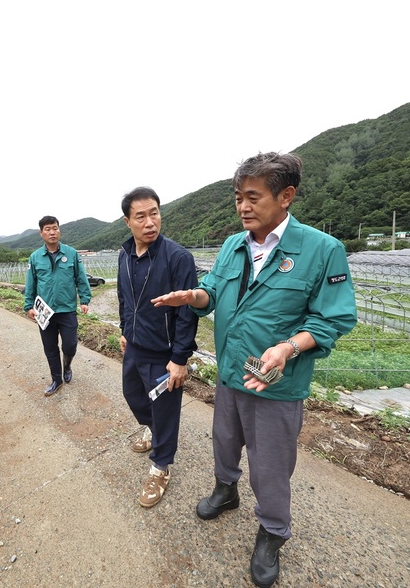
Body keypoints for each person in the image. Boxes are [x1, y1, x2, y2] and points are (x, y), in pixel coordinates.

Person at [152, 153, 357, 587]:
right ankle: (226, 491)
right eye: (238, 197)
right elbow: (212, 291)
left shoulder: (321, 250)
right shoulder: (233, 245)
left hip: (276, 382)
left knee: (270, 463)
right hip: (231, 372)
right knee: (224, 441)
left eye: (253, 197)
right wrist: (194, 297)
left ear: (286, 196)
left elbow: (334, 319)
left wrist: (287, 347)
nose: (243, 207)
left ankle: (272, 532)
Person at [117, 187, 198, 508]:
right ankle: (152, 429)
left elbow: (187, 312)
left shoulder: (178, 258)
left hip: (164, 354)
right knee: (133, 397)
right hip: (134, 346)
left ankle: (161, 467)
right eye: (141, 216)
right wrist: (125, 330)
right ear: (128, 222)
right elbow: (124, 298)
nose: (150, 222)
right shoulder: (124, 256)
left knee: (165, 412)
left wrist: (180, 359)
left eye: (154, 213)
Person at [23, 216, 93, 396]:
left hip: (67, 309)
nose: (52, 232)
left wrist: (84, 300)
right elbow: (31, 284)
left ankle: (67, 366)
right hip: (44, 312)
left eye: (55, 228)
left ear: (59, 230)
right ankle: (56, 379)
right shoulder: (35, 257)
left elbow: (81, 278)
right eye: (47, 229)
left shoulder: (71, 253)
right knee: (50, 348)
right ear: (41, 233)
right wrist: (28, 305)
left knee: (70, 345)